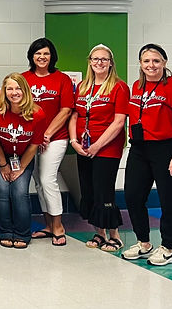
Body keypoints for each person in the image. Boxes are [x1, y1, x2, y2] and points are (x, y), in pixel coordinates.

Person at [121, 44, 172, 266]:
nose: (151, 65)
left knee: (169, 201)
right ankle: (144, 243)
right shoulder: (137, 86)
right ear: (140, 64)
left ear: (164, 63)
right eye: (146, 61)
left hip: (169, 149)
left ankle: (168, 247)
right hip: (140, 149)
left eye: (156, 61)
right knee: (132, 196)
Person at [69, 44, 129, 252]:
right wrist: (74, 141)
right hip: (84, 147)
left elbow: (119, 122)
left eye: (104, 59)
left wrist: (98, 145)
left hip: (107, 148)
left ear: (111, 63)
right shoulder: (84, 87)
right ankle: (99, 232)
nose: (99, 63)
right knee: (90, 191)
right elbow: (75, 114)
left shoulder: (119, 87)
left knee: (104, 192)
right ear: (90, 62)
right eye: (95, 59)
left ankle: (115, 235)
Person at [21, 38, 74, 245]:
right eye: (38, 54)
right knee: (38, 183)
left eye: (46, 54)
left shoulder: (62, 79)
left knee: (47, 179)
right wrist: (35, 136)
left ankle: (59, 226)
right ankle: (48, 225)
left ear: (52, 56)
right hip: (30, 139)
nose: (42, 57)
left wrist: (47, 134)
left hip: (54, 138)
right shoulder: (24, 78)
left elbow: (66, 110)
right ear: (31, 56)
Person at [0, 74, 46, 249]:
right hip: (1, 156)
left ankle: (22, 233)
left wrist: (21, 168)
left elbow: (34, 144)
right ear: (4, 92)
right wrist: (4, 165)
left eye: (18, 88)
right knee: (3, 192)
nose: (14, 92)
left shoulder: (37, 113)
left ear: (25, 90)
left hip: (23, 157)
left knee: (20, 192)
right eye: (10, 88)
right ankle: (5, 232)